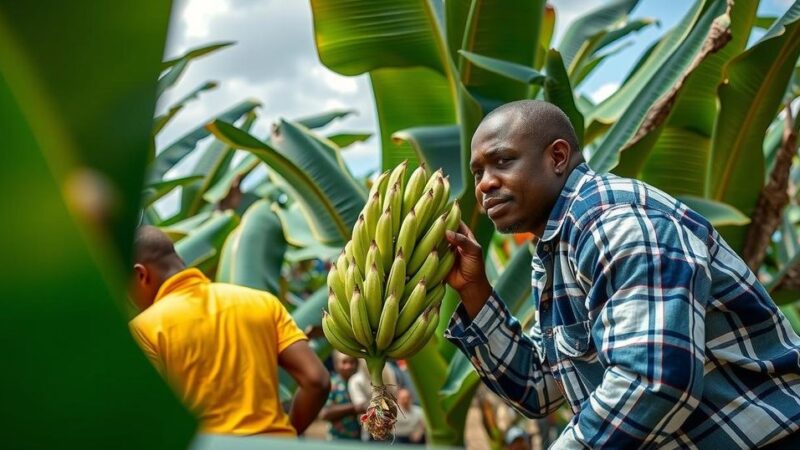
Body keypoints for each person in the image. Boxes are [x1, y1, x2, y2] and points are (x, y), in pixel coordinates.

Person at [443, 100, 800, 448]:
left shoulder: (615, 223)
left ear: (557, 157)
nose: (485, 184)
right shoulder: (557, 250)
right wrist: (474, 290)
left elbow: (653, 382)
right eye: (478, 173)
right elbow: (538, 387)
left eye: (503, 161)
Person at [128, 226, 329, 436]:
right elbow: (317, 380)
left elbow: (146, 419)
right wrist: (285, 434)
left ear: (140, 274)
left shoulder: (143, 330)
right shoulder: (261, 302)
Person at [319, 351, 364, 440]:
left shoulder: (361, 384)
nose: (348, 366)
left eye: (352, 362)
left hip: (358, 440)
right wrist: (353, 408)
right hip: (337, 439)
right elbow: (324, 413)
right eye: (344, 362)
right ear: (336, 365)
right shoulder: (331, 385)